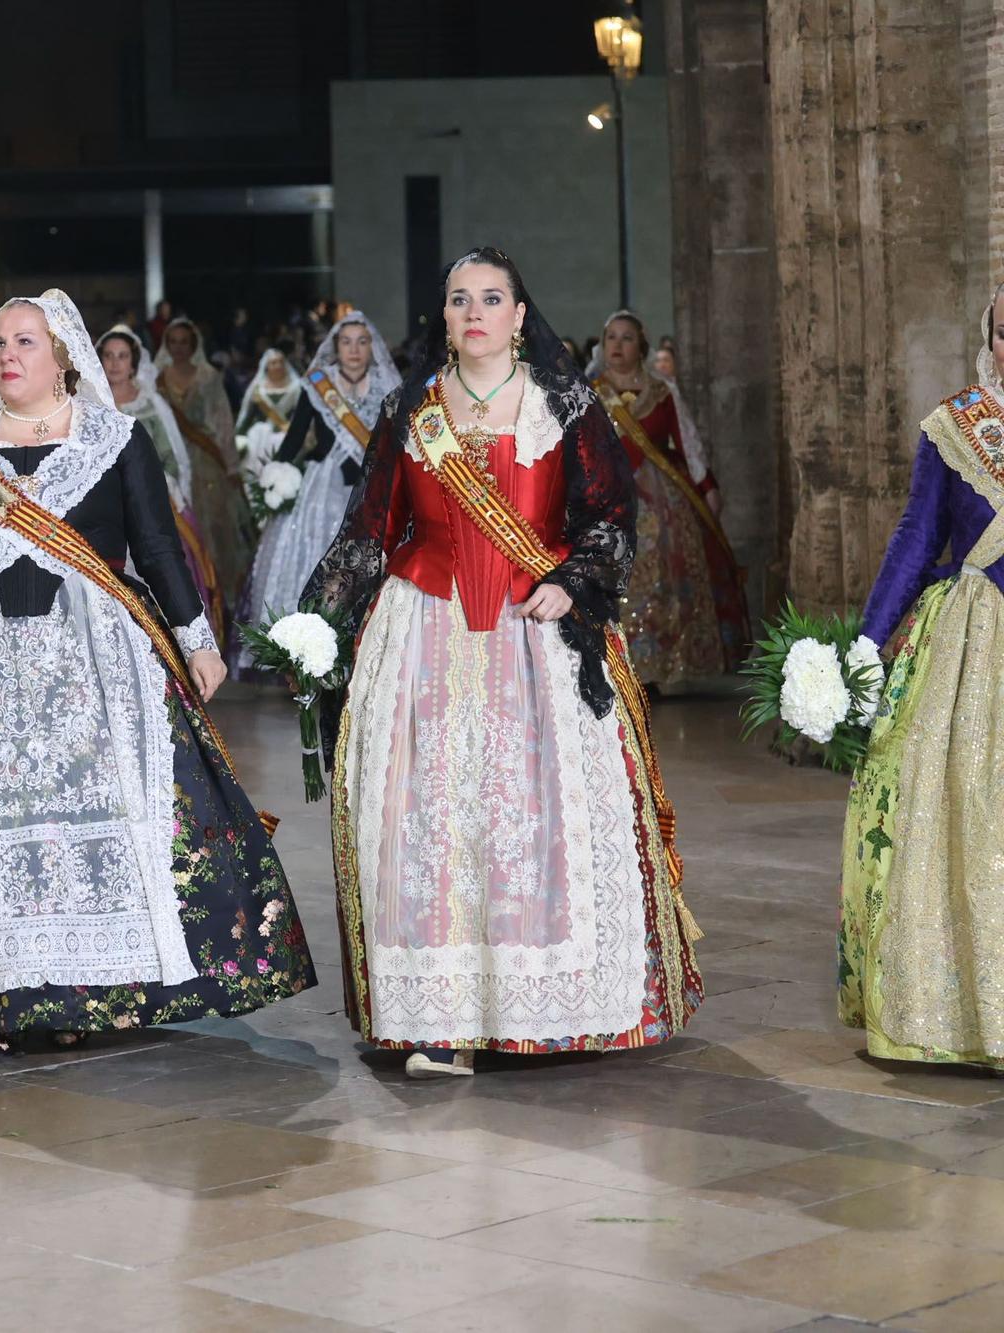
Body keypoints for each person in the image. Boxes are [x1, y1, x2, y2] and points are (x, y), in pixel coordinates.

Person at [0, 289, 315, 1053]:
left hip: (95, 667)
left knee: (106, 817)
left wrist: (198, 639)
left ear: (64, 358)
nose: (8, 355)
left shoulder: (116, 440)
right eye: (0, 343)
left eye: (26, 343)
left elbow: (157, 549)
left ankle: (83, 995)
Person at [303, 247, 701, 1078]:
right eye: (458, 300)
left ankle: (545, 1006)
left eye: (491, 298)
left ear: (520, 316)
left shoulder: (566, 407)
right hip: (425, 633)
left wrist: (574, 580)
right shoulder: (411, 415)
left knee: (530, 812)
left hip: (536, 638)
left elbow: (607, 516)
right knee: (428, 816)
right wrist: (312, 623)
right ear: (443, 320)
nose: (474, 311)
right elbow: (371, 531)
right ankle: (436, 1017)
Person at [839, 282, 1004, 1071]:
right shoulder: (955, 425)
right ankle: (959, 1006)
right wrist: (868, 644)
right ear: (989, 333)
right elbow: (916, 536)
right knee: (962, 816)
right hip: (971, 644)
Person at [587, 311, 748, 686]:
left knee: (667, 576)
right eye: (612, 337)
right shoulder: (591, 393)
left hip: (663, 498)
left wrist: (706, 485)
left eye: (626, 338)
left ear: (640, 346)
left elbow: (687, 440)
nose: (617, 345)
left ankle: (661, 667)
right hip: (610, 498)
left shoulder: (662, 390)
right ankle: (617, 666)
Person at [235, 309, 401, 672]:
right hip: (320, 488)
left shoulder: (388, 386)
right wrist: (276, 475)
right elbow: (295, 438)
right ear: (335, 347)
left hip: (370, 490)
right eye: (346, 342)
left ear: (372, 348)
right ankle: (301, 652)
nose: (354, 350)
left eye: (361, 342)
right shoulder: (317, 386)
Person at [98, 324, 222, 626]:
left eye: (122, 356)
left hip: (147, 501)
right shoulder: (87, 402)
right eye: (109, 356)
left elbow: (173, 458)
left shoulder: (150, 404)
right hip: (101, 507)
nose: (115, 363)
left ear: (133, 363)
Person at [155, 317, 256, 610]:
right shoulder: (157, 380)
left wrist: (232, 466)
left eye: (184, 342)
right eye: (173, 341)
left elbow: (222, 423)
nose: (178, 348)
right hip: (171, 459)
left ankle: (220, 598)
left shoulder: (208, 377)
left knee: (214, 528)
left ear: (194, 344)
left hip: (205, 461)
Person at [236, 347, 304, 438]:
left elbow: (301, 413)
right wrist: (240, 435)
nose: (278, 366)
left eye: (281, 362)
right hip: (260, 437)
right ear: (266, 366)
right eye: (274, 363)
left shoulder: (296, 387)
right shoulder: (258, 389)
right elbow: (248, 415)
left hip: (289, 435)